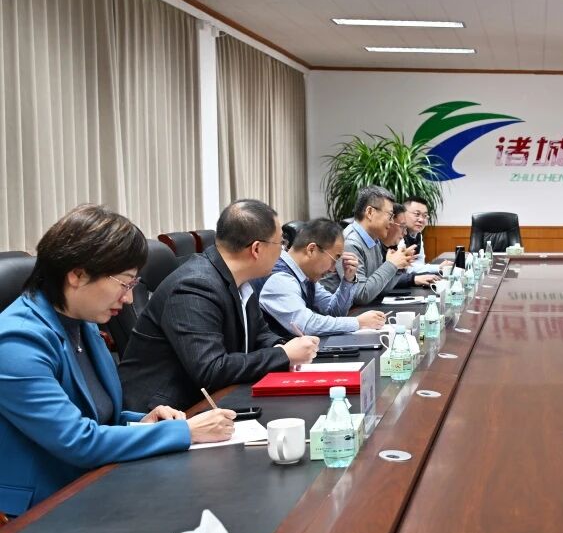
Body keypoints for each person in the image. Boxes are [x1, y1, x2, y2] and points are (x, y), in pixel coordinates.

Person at [0, 206, 235, 516]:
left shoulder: (81, 322)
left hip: (95, 483)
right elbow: (76, 440)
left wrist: (141, 422)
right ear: (77, 275)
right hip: (41, 510)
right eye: (125, 284)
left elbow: (95, 414)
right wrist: (186, 431)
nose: (128, 299)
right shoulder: (16, 342)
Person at [119, 200, 318, 411]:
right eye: (280, 244)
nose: (283, 252)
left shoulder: (239, 280)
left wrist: (283, 346)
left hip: (214, 400)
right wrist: (284, 354)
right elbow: (211, 370)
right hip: (165, 414)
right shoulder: (195, 286)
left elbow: (260, 335)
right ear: (257, 249)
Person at [258, 218, 386, 338]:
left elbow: (333, 311)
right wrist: (358, 322)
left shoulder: (305, 276)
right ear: (311, 249)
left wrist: (348, 280)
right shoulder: (280, 278)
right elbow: (307, 325)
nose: (333, 269)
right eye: (334, 259)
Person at [321, 186, 416, 305]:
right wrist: (391, 264)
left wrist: (398, 267)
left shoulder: (373, 240)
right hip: (340, 312)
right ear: (370, 212)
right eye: (390, 215)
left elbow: (379, 290)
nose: (392, 221)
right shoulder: (350, 242)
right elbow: (360, 295)